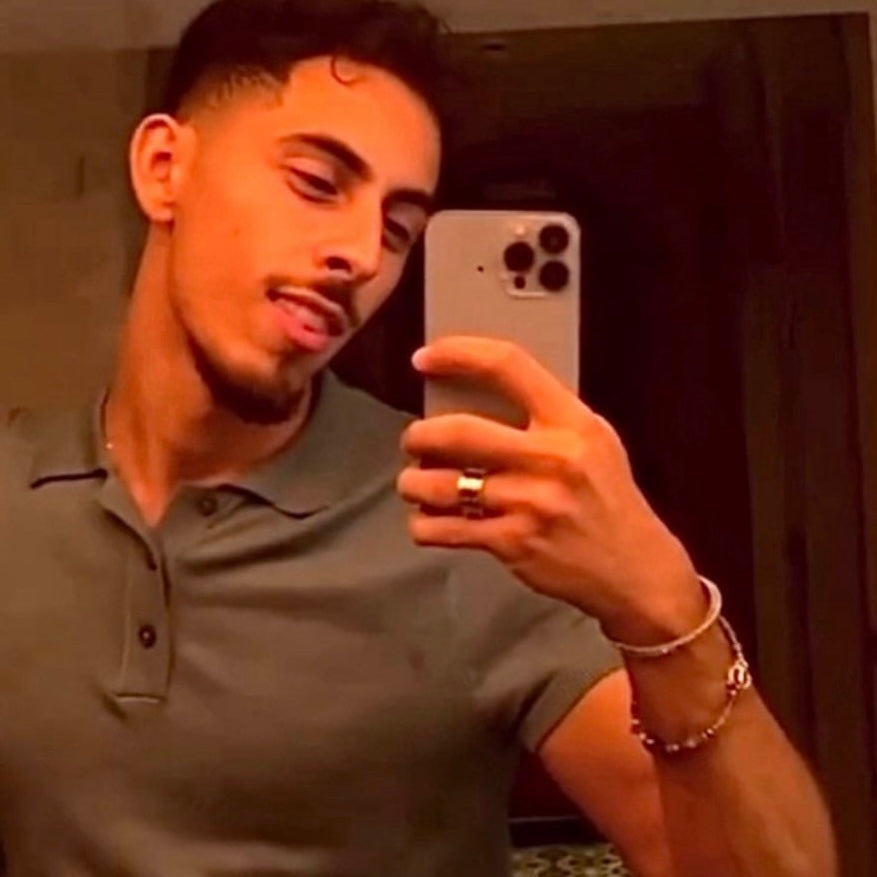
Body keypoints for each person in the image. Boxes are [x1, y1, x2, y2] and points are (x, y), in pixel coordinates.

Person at [0, 1, 837, 875]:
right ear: (164, 167)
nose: (363, 254)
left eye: (397, 228)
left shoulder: (467, 514)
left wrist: (661, 605)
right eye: (317, 183)